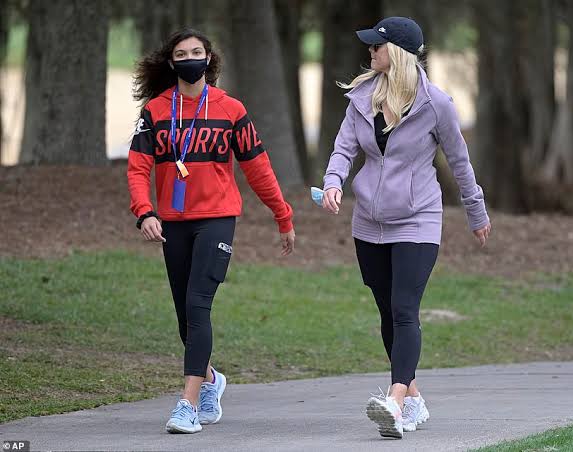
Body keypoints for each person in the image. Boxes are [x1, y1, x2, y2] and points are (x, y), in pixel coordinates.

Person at [321, 17, 491, 439]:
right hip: (369, 222)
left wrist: (476, 211)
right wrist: (332, 182)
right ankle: (413, 399)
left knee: (404, 308)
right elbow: (344, 146)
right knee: (386, 311)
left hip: (418, 219)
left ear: (394, 53)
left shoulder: (436, 104)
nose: (370, 52)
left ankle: (394, 400)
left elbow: (459, 161)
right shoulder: (362, 96)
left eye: (376, 47)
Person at [127, 28, 296, 434]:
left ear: (209, 58)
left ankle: (186, 403)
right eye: (182, 53)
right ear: (171, 63)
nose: (190, 58)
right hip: (173, 221)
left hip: (217, 218)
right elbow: (137, 167)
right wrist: (144, 211)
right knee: (185, 314)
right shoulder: (155, 111)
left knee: (198, 303)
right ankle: (211, 379)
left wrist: (283, 215)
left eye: (197, 51)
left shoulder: (230, 109)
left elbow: (258, 168)